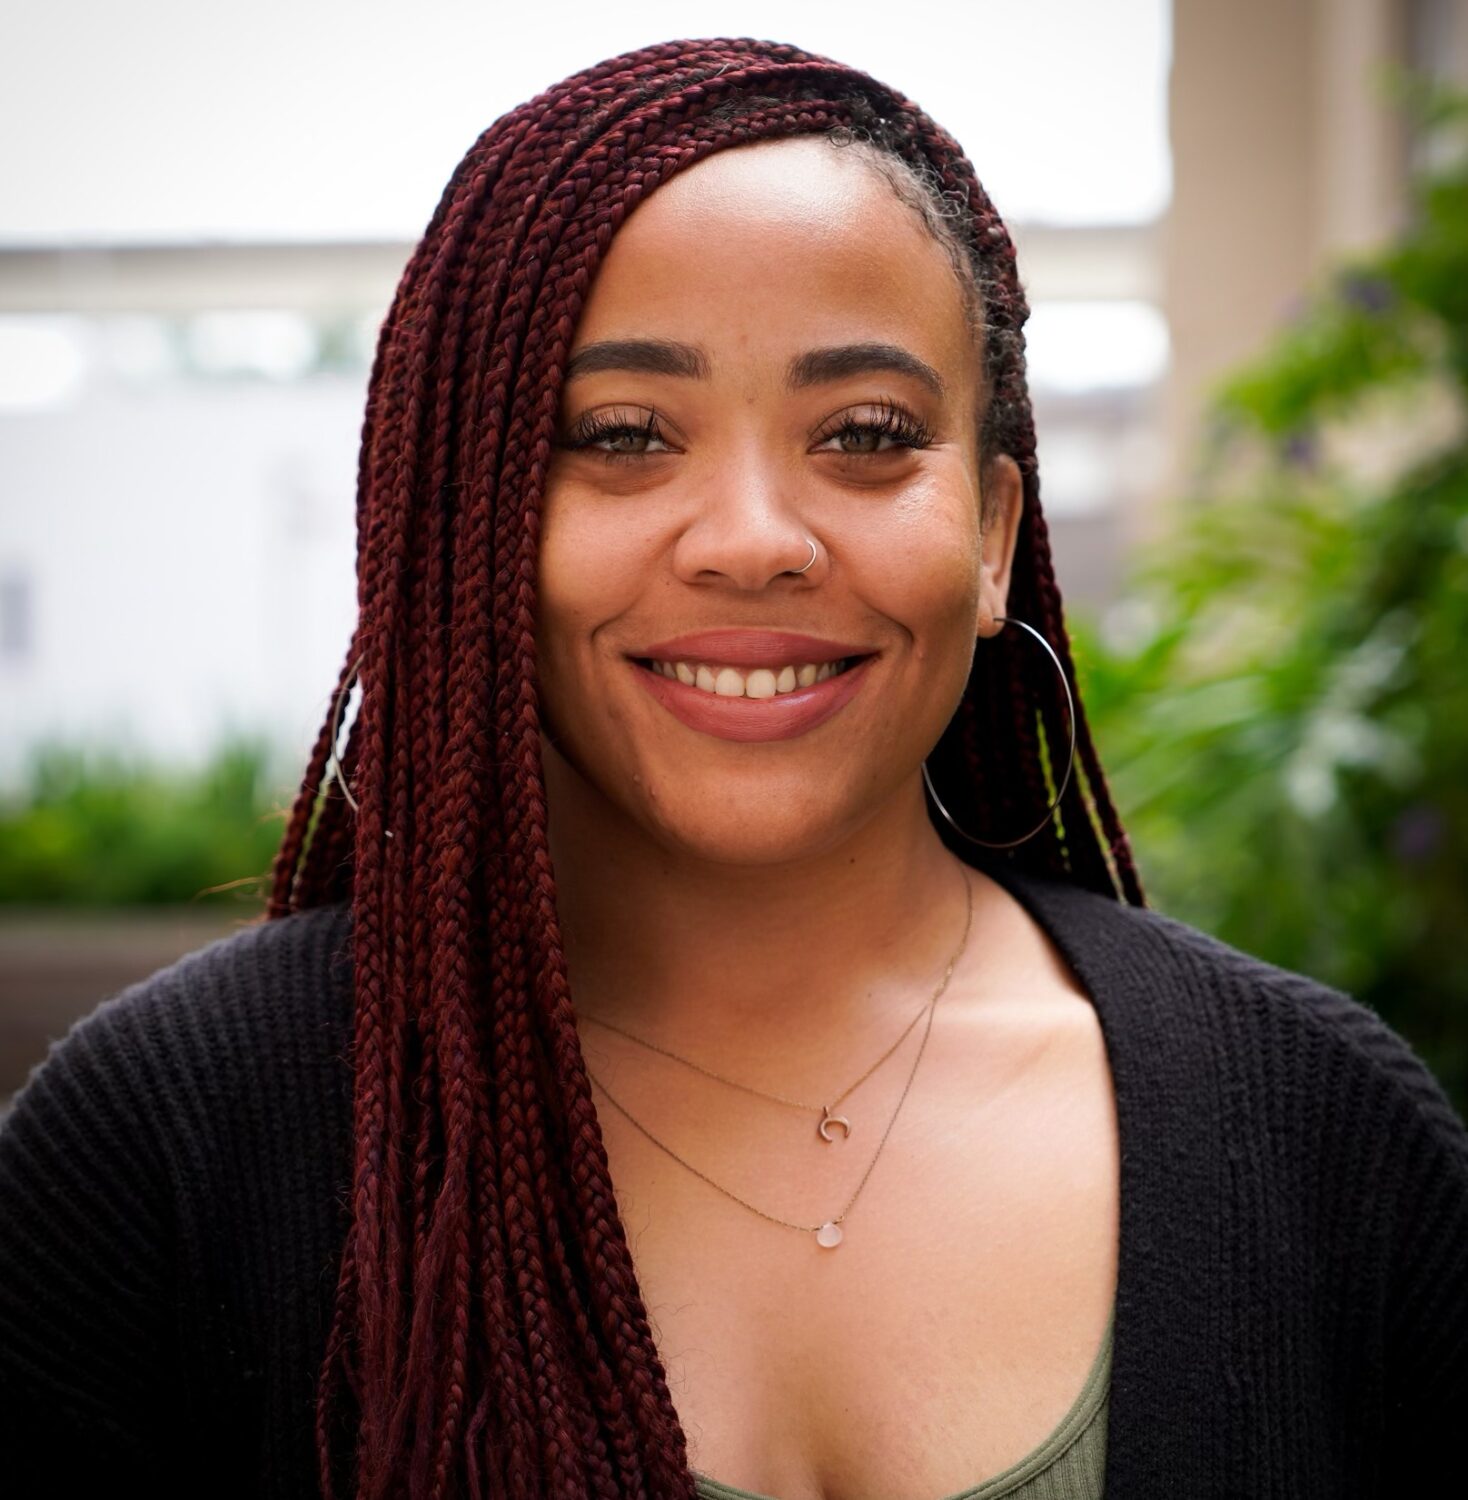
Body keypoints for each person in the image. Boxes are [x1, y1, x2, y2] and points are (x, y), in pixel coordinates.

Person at [1, 35, 1465, 1500]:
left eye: (868, 436)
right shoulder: (155, 1162)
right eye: (625, 435)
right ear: (468, 515)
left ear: (992, 533)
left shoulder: (1331, 1141)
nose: (754, 535)